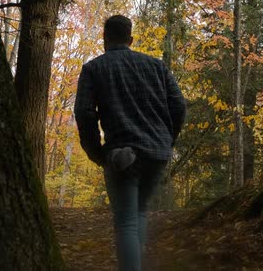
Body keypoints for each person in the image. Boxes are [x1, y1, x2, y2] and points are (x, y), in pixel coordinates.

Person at [74, 15, 186, 271]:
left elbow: (84, 113)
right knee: (139, 213)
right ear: (131, 39)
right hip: (156, 153)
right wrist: (167, 140)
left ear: (105, 39)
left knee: (126, 221)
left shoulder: (94, 69)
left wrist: (96, 154)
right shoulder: (156, 66)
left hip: (122, 156)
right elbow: (179, 105)